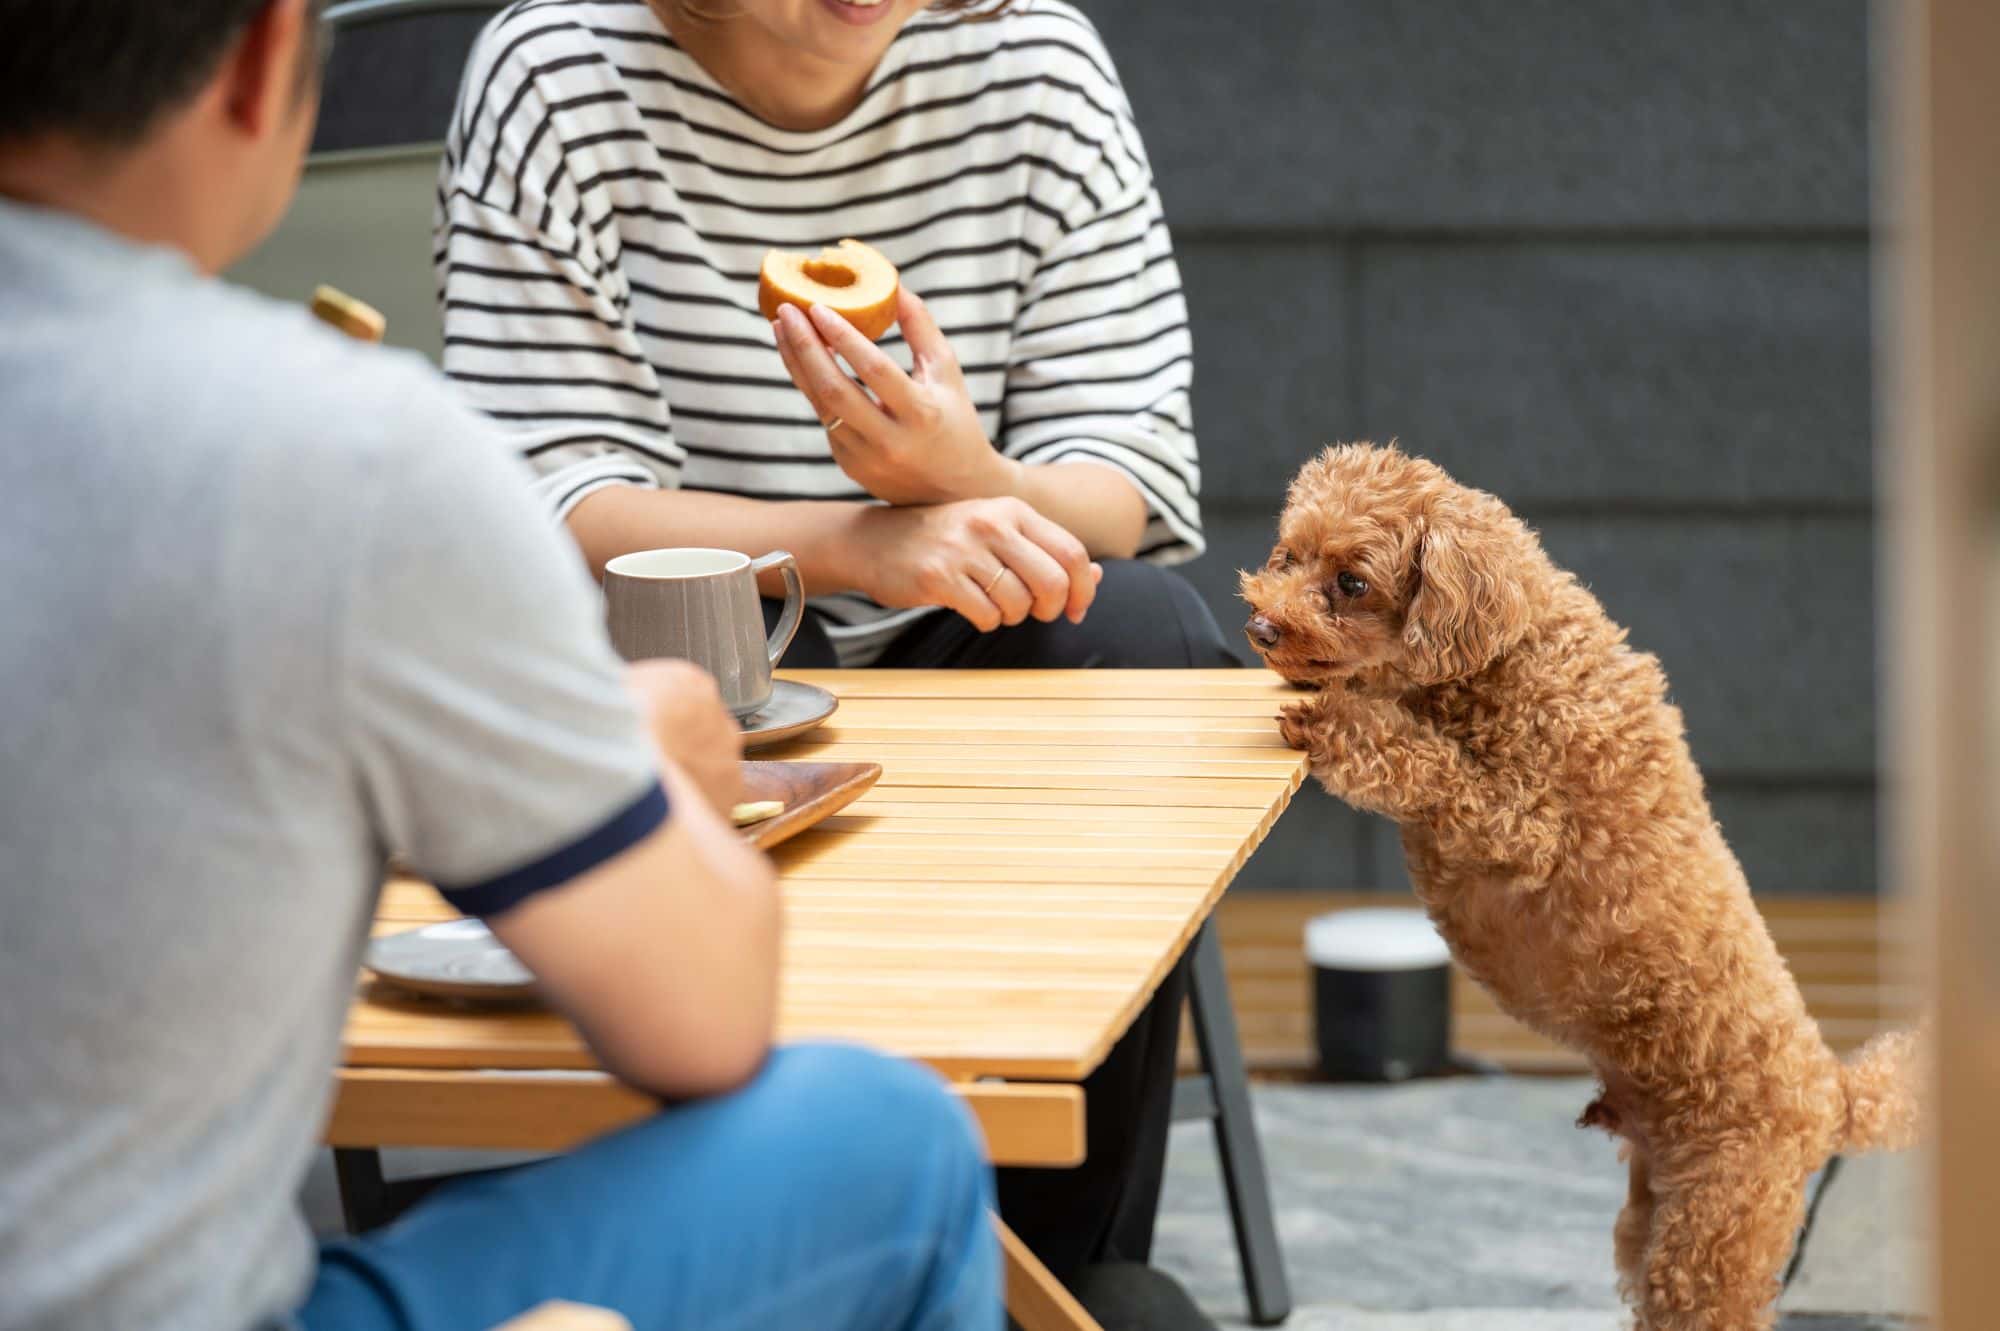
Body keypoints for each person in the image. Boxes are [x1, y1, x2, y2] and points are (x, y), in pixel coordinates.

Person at [0, 4, 997, 1329]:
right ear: (259, 62)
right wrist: (660, 764)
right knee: (891, 1146)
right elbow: (700, 1021)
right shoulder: (337, 446)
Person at [435, 2, 1234, 1317]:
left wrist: (958, 479)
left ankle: (1045, 1274)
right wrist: (863, 541)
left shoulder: (1032, 58)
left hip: (976, 635)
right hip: (671, 670)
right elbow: (555, 495)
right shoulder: (559, 71)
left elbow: (1125, 478)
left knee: (1143, 639)